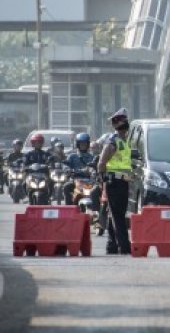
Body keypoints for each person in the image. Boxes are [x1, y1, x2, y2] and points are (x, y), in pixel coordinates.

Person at [97, 108, 133, 255]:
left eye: (125, 120)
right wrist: (102, 178)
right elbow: (101, 163)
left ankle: (111, 245)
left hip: (124, 182)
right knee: (118, 215)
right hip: (113, 182)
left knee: (117, 213)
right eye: (122, 120)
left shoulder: (126, 141)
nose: (125, 123)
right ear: (117, 123)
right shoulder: (113, 142)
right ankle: (124, 245)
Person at [64, 133, 98, 207]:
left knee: (99, 190)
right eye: (81, 143)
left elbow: (96, 167)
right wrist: (67, 170)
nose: (83, 145)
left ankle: (98, 211)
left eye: (85, 143)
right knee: (67, 186)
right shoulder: (72, 156)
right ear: (77, 144)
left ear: (88, 144)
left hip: (90, 181)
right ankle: (69, 208)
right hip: (75, 180)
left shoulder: (92, 157)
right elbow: (65, 165)